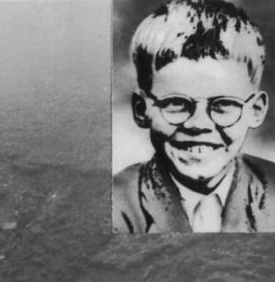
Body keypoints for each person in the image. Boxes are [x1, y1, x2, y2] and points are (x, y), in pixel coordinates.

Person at [113, 0, 275, 233]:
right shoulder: (115, 208)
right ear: (141, 109)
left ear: (256, 110)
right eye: (176, 104)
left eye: (224, 105)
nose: (199, 125)